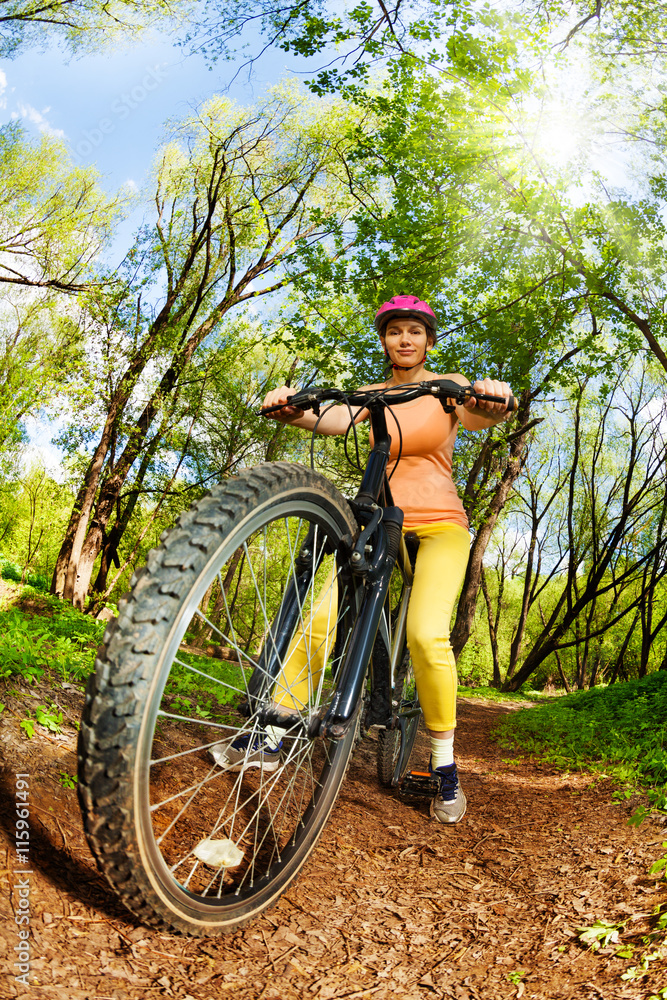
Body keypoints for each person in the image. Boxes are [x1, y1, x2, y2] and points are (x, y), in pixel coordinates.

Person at [213, 295, 513, 825]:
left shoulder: (447, 388)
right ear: (384, 340)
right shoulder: (371, 395)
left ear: (428, 341)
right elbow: (329, 418)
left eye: (415, 332)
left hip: (441, 523)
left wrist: (494, 397)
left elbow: (483, 412)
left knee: (424, 633)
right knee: (323, 615)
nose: (405, 339)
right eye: (395, 331)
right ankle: (276, 730)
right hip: (376, 521)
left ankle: (444, 764)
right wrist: (291, 405)